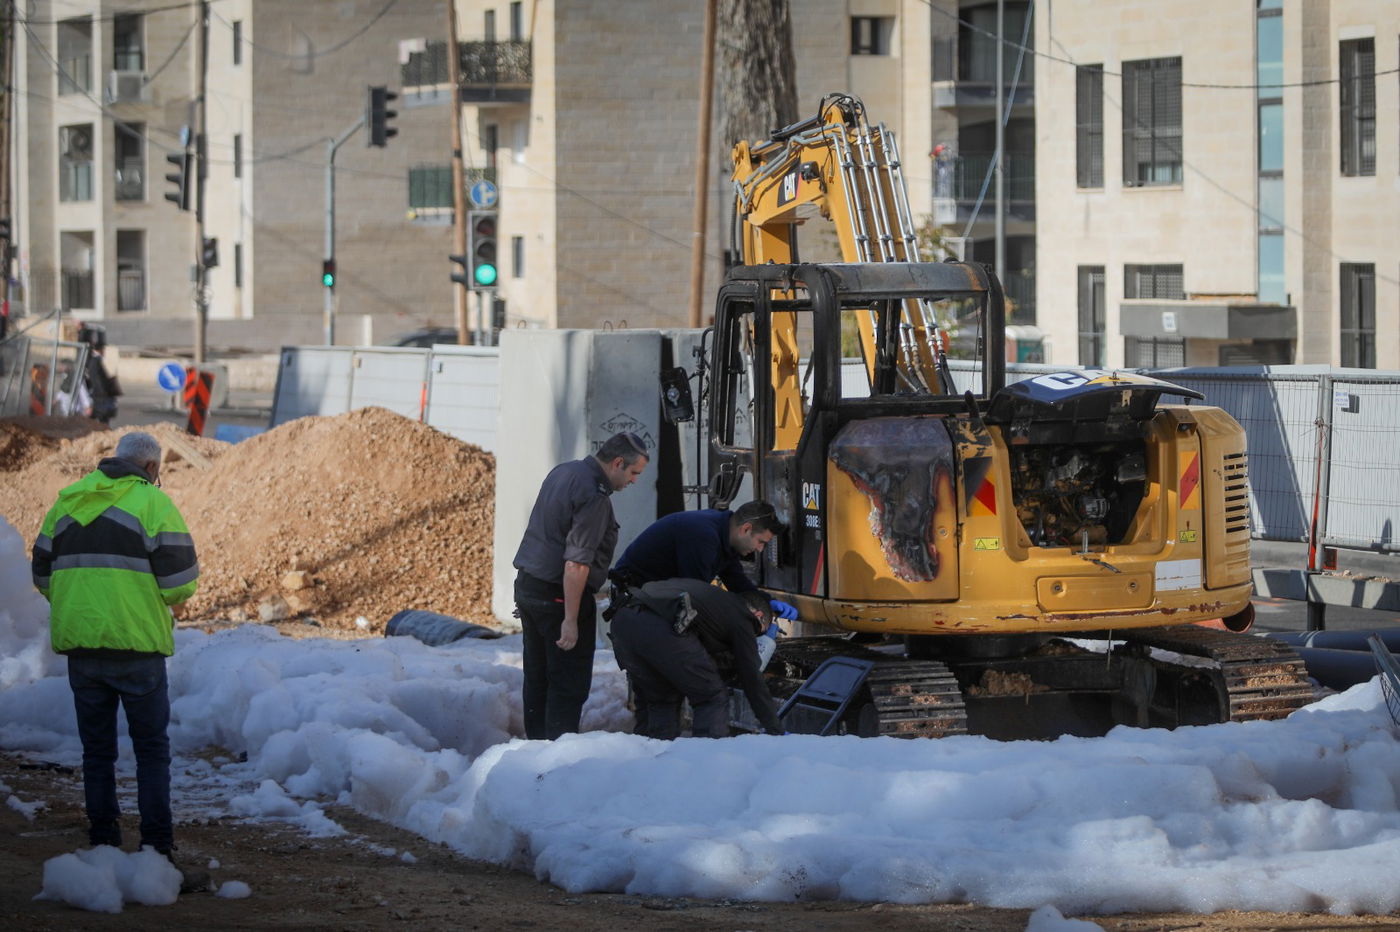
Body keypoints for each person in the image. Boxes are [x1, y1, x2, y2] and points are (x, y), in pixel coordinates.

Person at [30, 431, 202, 886]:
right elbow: (181, 582)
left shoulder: (67, 502)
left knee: (97, 752)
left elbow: (42, 574)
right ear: (149, 468)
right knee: (151, 751)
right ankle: (157, 849)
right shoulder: (151, 504)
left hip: (83, 650)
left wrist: (85, 605)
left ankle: (103, 843)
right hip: (137, 648)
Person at [512, 431, 649, 740]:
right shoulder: (593, 495)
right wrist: (571, 620)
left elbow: (543, 534)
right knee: (567, 684)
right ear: (617, 463)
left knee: (537, 678)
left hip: (530, 586)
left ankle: (535, 751)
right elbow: (575, 563)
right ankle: (554, 759)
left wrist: (528, 593)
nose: (634, 481)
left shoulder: (564, 471)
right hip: (559, 596)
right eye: (634, 473)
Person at [608, 578, 783, 738]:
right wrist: (775, 730)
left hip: (623, 621)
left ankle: (654, 766)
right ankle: (704, 764)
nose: (753, 637)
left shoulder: (715, 605)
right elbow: (752, 679)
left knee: (661, 699)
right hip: (660, 628)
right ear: (758, 616)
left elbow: (694, 657)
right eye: (758, 632)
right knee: (711, 696)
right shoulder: (742, 617)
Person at [611, 500, 798, 621]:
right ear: (746, 529)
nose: (760, 549)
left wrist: (766, 602)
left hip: (656, 598)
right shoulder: (703, 536)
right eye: (760, 542)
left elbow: (738, 583)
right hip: (634, 598)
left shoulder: (727, 536)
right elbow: (696, 594)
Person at [80, 325, 121, 425]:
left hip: (98, 402)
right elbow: (98, 384)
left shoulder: (92, 361)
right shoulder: (96, 362)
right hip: (100, 403)